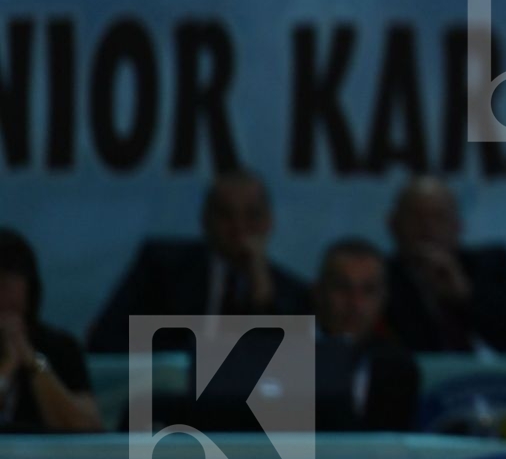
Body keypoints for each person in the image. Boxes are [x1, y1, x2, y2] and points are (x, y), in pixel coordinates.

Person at [87, 170, 311, 353]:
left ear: (269, 221)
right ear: (205, 219)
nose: (239, 227)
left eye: (252, 215)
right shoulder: (162, 269)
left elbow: (296, 372)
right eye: (226, 215)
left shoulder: (291, 293)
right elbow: (105, 339)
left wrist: (263, 298)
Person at [382, 177, 506, 355]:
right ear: (394, 224)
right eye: (416, 217)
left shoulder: (489, 264)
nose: (428, 227)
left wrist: (467, 295)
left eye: (439, 217)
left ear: (458, 225)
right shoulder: (378, 279)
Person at [0, 228, 103, 433]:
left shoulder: (60, 347)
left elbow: (86, 426)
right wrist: (9, 367)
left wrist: (33, 361)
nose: (6, 290)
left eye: (15, 278)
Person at [313, 237, 420, 433]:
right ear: (319, 291)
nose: (355, 304)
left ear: (383, 298)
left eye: (368, 291)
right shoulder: (284, 355)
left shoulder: (399, 367)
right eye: (342, 288)